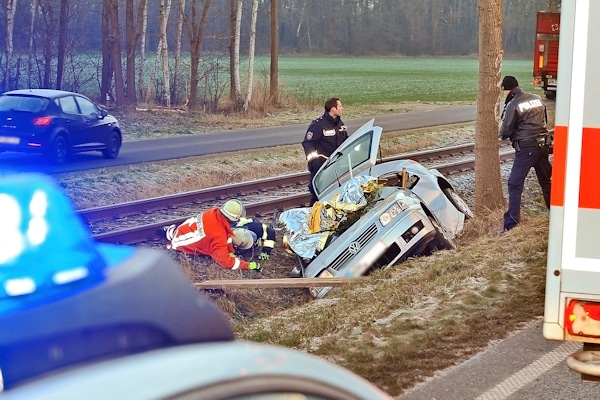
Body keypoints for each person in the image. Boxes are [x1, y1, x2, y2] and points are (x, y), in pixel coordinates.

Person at [498, 75, 552, 233]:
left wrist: (501, 136)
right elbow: (545, 120)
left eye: (503, 92)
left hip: (526, 148)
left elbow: (506, 130)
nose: (503, 95)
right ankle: (555, 213)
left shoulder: (513, 103)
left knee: (514, 184)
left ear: (508, 90)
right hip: (543, 145)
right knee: (546, 182)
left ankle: (511, 224)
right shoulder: (537, 98)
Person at [160, 199, 262, 271]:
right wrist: (248, 265)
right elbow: (225, 262)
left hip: (183, 229)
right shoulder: (219, 236)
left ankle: (168, 232)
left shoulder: (212, 212)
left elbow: (225, 234)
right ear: (232, 219)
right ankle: (170, 234)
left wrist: (230, 250)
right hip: (180, 243)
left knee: (178, 233)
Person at [302, 97, 348, 206]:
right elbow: (308, 143)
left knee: (336, 195)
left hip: (338, 166)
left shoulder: (340, 123)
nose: (342, 108)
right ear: (333, 109)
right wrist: (315, 161)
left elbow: (346, 141)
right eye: (340, 106)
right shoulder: (318, 125)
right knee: (319, 195)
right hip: (322, 166)